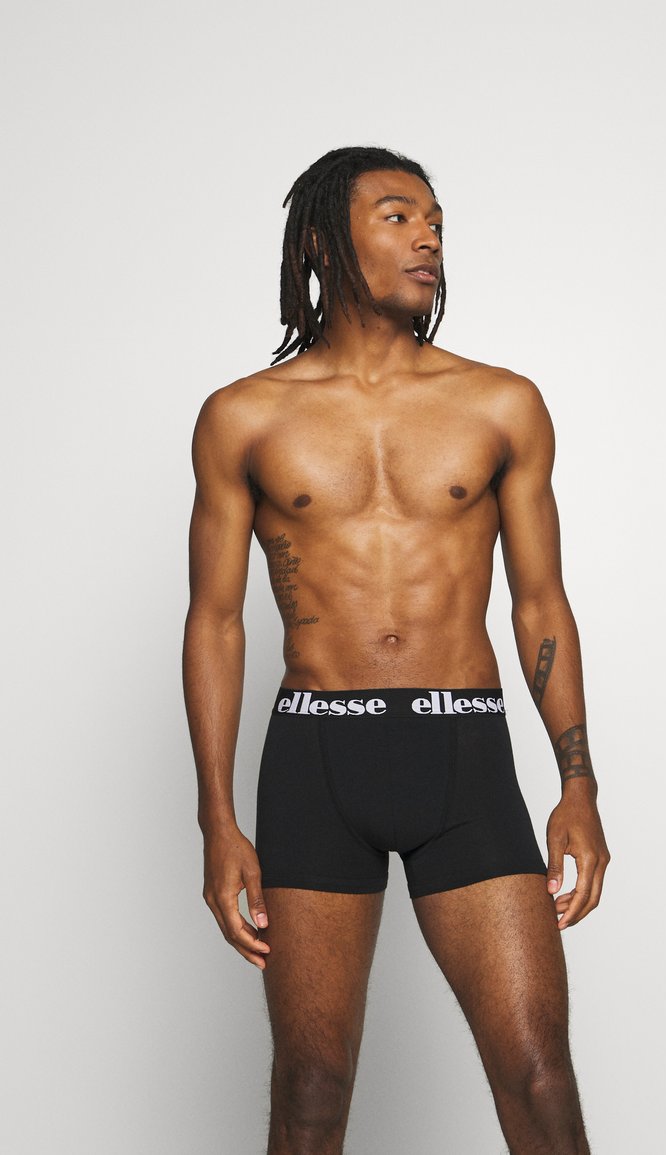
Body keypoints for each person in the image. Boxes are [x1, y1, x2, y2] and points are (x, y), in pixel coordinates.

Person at [183, 145, 610, 1155]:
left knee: (537, 1073)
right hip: (315, 756)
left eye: (436, 223)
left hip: (462, 752)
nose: (428, 238)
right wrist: (216, 818)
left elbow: (539, 602)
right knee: (311, 1088)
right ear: (323, 239)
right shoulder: (244, 416)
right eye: (397, 216)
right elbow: (216, 621)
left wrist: (577, 783)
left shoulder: (500, 403)